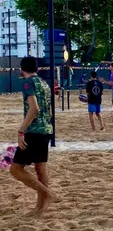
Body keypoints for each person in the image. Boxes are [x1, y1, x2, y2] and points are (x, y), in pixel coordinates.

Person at [10, 56, 57, 215]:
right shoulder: (44, 83)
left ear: (22, 69)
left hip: (34, 131)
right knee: (40, 169)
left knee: (16, 169)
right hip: (46, 130)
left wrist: (21, 131)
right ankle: (40, 208)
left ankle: (48, 194)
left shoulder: (27, 83)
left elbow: (34, 108)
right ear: (37, 68)